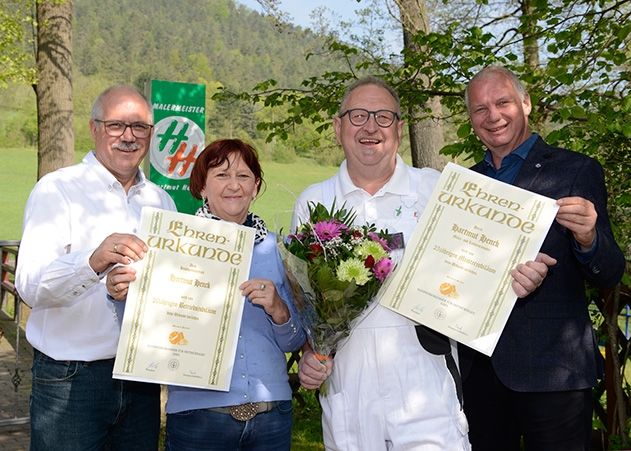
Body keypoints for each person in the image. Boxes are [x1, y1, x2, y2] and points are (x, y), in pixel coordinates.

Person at [294, 76, 550, 451]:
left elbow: (487, 265)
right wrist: (308, 356)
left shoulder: (437, 189)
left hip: (425, 383)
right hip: (348, 382)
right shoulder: (314, 201)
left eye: (383, 117)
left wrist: (523, 276)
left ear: (400, 130)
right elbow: (307, 302)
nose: (370, 127)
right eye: (358, 115)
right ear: (338, 127)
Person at [459, 65, 626, 451]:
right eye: (480, 109)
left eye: (502, 102)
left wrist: (587, 236)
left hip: (554, 372)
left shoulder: (575, 170)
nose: (493, 116)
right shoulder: (465, 183)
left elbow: (610, 272)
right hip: (479, 373)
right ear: (471, 120)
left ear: (526, 103)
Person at [15, 85, 176, 450]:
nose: (129, 136)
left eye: (140, 127)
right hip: (71, 379)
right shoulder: (57, 190)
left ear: (151, 134)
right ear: (94, 128)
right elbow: (29, 286)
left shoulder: (161, 201)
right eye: (117, 125)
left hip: (142, 379)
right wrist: (94, 261)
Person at [123, 138, 305, 450]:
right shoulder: (172, 246)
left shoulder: (278, 250)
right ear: (202, 187)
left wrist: (279, 310)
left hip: (271, 415)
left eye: (244, 176)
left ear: (256, 187)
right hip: (198, 418)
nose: (234, 185)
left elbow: (295, 340)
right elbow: (147, 329)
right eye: (221, 175)